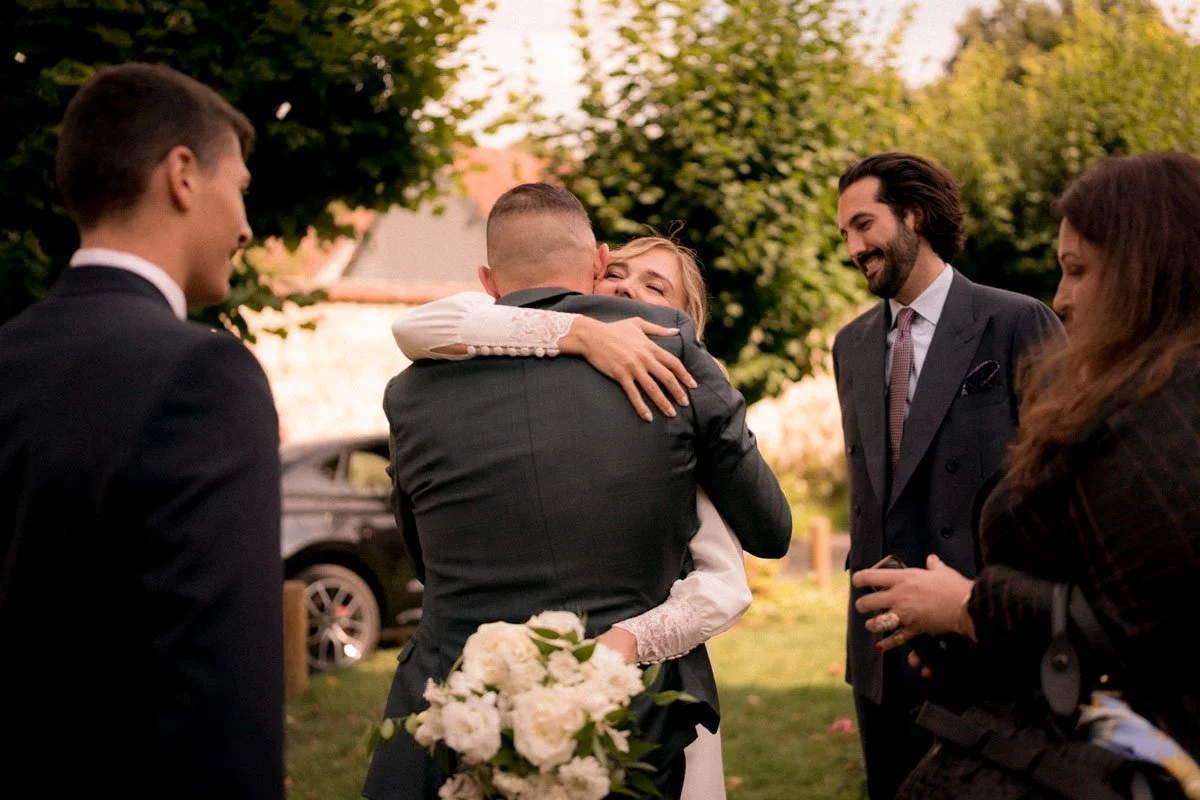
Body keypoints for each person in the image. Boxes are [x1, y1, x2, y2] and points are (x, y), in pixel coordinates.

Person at [362, 184, 792, 800]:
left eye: (655, 286)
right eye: (620, 275)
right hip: (622, 731)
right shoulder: (671, 357)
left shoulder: (409, 391)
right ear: (597, 265)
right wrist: (587, 336)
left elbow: (423, 555)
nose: (628, 294)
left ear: (488, 280)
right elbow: (770, 530)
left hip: (453, 710)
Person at [853, 152, 1200, 795]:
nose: (1062, 297)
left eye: (1078, 270)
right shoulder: (851, 344)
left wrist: (969, 608)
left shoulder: (1161, 413)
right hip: (902, 643)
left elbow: (1139, 622)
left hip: (1072, 716)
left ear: (1150, 271)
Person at [0, 64, 284, 797]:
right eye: (240, 189)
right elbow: (221, 695)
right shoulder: (204, 377)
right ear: (182, 175)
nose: (246, 228)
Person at [832, 152, 1063, 799]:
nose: (853, 249)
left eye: (863, 225)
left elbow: (1062, 486)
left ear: (914, 215)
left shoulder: (1017, 321)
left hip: (985, 649)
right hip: (879, 655)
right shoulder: (849, 345)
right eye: (844, 234)